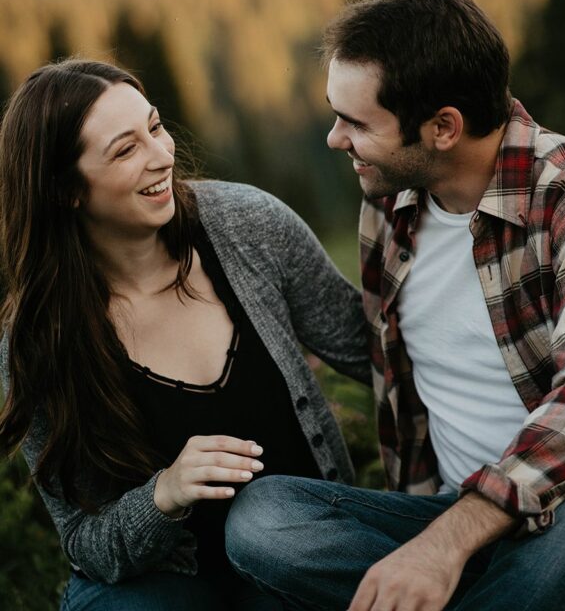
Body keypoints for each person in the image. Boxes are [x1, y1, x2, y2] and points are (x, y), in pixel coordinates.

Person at [227, 0, 565, 611]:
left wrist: (447, 543)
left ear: (443, 127)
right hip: (444, 513)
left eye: (356, 122)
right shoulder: (388, 204)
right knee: (265, 517)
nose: (336, 139)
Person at [0, 58, 370, 611]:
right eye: (125, 150)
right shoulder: (37, 343)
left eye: (155, 126)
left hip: (290, 553)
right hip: (160, 582)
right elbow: (86, 543)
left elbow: (378, 350)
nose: (161, 155)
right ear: (66, 191)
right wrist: (163, 494)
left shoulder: (248, 225)